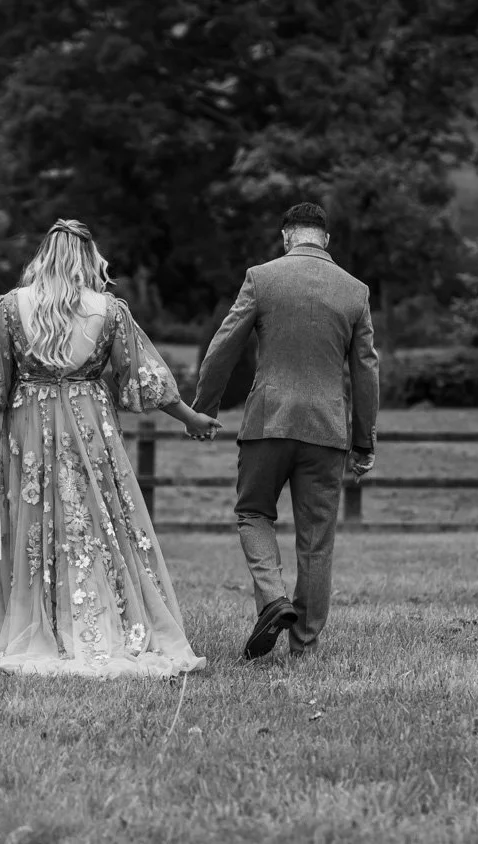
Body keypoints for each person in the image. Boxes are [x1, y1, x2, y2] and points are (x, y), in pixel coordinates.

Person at [0, 219, 216, 678]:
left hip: (31, 423)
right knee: (96, 514)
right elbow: (143, 375)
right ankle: (104, 613)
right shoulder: (109, 310)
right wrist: (189, 417)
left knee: (37, 515)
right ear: (89, 258)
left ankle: (42, 617)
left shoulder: (10, 307)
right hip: (90, 422)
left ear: (44, 256)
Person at [193, 202, 380, 661]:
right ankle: (304, 646)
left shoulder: (262, 278)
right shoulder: (355, 291)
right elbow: (366, 371)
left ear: (285, 237)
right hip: (326, 430)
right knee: (316, 539)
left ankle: (274, 598)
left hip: (267, 422)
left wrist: (204, 408)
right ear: (326, 240)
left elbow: (223, 345)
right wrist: (363, 441)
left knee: (253, 513)